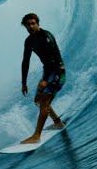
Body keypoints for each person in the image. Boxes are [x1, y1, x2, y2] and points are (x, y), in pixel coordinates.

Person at [19, 12, 67, 143]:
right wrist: (24, 83)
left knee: (45, 102)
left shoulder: (46, 36)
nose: (31, 26)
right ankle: (58, 123)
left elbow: (55, 54)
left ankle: (36, 136)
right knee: (39, 100)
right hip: (48, 72)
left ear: (38, 23)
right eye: (28, 24)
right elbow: (25, 62)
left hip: (58, 72)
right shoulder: (29, 41)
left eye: (33, 23)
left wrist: (54, 74)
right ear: (24, 26)